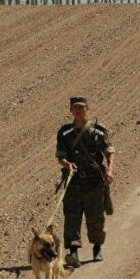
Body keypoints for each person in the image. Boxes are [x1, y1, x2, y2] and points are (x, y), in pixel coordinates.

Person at [55, 96, 115, 266]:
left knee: (95, 217)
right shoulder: (65, 132)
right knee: (72, 217)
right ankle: (73, 253)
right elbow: (60, 156)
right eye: (75, 108)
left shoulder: (98, 131)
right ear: (70, 111)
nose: (79, 111)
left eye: (82, 108)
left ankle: (97, 248)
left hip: (94, 182)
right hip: (73, 183)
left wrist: (110, 170)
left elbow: (109, 152)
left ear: (87, 108)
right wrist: (67, 164)